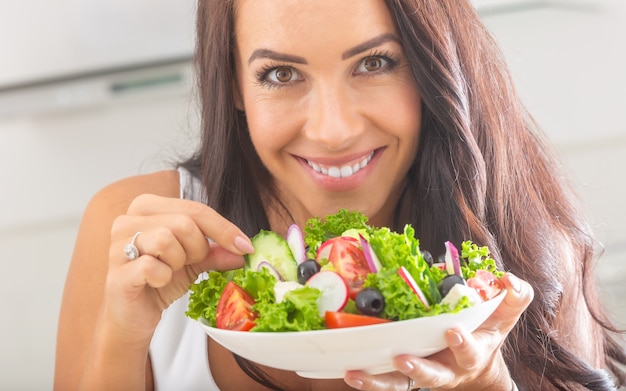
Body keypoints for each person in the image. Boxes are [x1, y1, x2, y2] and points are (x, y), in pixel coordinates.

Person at [54, 0, 626, 390]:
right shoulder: (133, 231)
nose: (333, 130)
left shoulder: (527, 241)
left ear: (434, 67)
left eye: (375, 63)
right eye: (281, 74)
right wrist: (123, 336)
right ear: (232, 82)